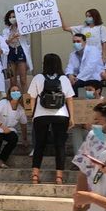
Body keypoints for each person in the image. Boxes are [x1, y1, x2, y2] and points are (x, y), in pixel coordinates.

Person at [28, 53, 76, 185]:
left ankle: (35, 175)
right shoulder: (64, 79)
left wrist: (33, 114)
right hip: (61, 114)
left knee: (39, 145)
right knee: (60, 145)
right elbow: (69, 99)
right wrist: (72, 117)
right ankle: (59, 177)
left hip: (41, 115)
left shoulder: (38, 77)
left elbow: (32, 98)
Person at [0, 87, 29, 169]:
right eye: (13, 91)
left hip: (8, 130)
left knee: (14, 138)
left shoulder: (20, 109)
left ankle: (1, 160)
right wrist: (2, 126)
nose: (16, 92)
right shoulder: (3, 103)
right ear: (9, 93)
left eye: (18, 91)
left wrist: (25, 139)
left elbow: (23, 124)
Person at [3, 9, 33, 90]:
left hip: (20, 51)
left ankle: (25, 96)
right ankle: (13, 96)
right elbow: (5, 42)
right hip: (10, 53)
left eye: (13, 17)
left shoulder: (23, 28)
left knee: (23, 79)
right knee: (12, 80)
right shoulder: (6, 30)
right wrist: (12, 37)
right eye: (10, 17)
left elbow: (27, 32)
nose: (12, 19)